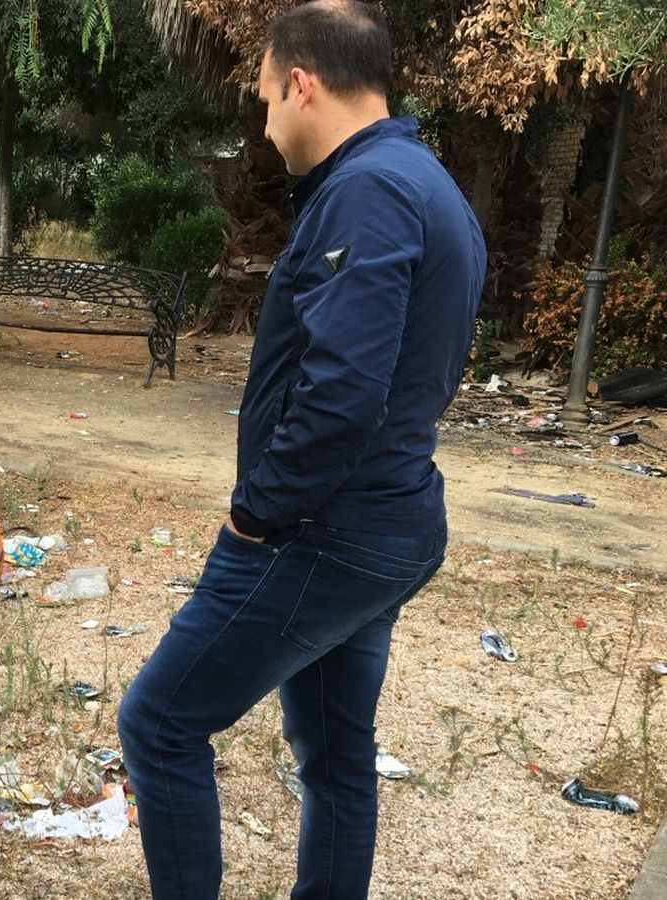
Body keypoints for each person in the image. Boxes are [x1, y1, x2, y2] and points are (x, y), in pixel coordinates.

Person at [116, 2, 486, 898]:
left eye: (265, 97)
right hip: (387, 521)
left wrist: (256, 514)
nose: (265, 118)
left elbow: (341, 393)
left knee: (160, 722)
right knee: (334, 755)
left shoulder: (372, 190)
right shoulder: (423, 182)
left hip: (323, 530)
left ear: (302, 83)